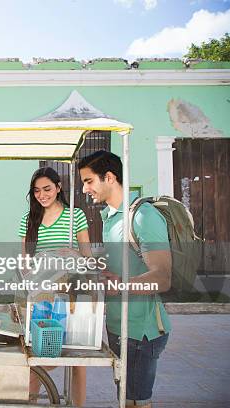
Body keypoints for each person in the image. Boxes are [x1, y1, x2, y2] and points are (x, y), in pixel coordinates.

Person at [78, 150, 171, 408]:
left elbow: (162, 278)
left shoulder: (142, 216)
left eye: (89, 181)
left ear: (109, 177)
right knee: (125, 400)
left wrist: (119, 285)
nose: (85, 189)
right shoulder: (109, 218)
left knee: (135, 403)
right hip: (118, 327)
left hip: (141, 332)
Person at [18, 167, 91, 406]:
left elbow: (87, 258)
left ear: (59, 187)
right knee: (39, 355)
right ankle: (31, 401)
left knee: (77, 357)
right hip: (41, 295)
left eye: (47, 189)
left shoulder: (75, 216)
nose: (42, 195)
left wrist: (70, 255)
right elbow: (25, 263)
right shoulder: (29, 220)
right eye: (37, 190)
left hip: (68, 294)